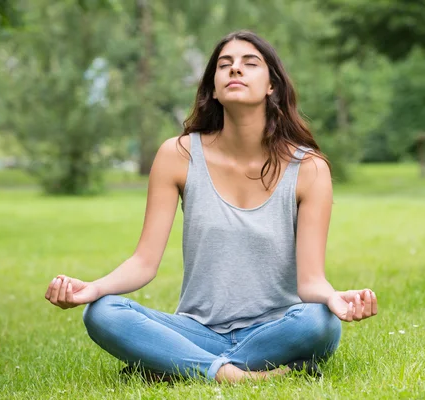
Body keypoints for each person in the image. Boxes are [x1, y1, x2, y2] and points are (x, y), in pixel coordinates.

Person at [44, 30, 377, 384]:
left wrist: (334, 298)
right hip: (195, 329)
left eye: (250, 64)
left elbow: (310, 282)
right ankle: (235, 374)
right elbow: (144, 262)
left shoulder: (309, 169)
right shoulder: (178, 155)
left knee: (321, 323)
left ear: (272, 87)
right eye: (224, 65)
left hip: (276, 329)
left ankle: (175, 366)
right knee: (103, 313)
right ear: (213, 88)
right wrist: (93, 289)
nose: (235, 70)